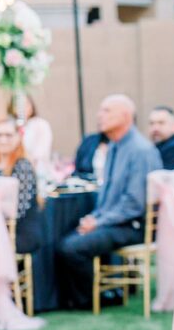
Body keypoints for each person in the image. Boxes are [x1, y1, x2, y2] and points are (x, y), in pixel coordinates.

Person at [56, 95, 162, 309]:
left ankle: (94, 298)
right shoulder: (114, 146)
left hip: (132, 226)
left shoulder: (140, 151)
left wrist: (99, 222)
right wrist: (95, 218)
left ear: (125, 116)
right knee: (67, 237)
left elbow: (134, 203)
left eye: (106, 111)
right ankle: (92, 295)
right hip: (113, 221)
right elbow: (108, 197)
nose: (99, 116)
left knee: (71, 247)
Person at [0, 117, 42, 254]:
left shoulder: (22, 166)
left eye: (8, 135)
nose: (3, 140)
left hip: (18, 232)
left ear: (18, 138)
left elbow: (17, 210)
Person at [7, 94, 53, 178]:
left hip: (37, 172)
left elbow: (41, 152)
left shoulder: (40, 124)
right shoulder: (9, 126)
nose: (22, 108)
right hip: (11, 173)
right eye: (18, 105)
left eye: (26, 104)